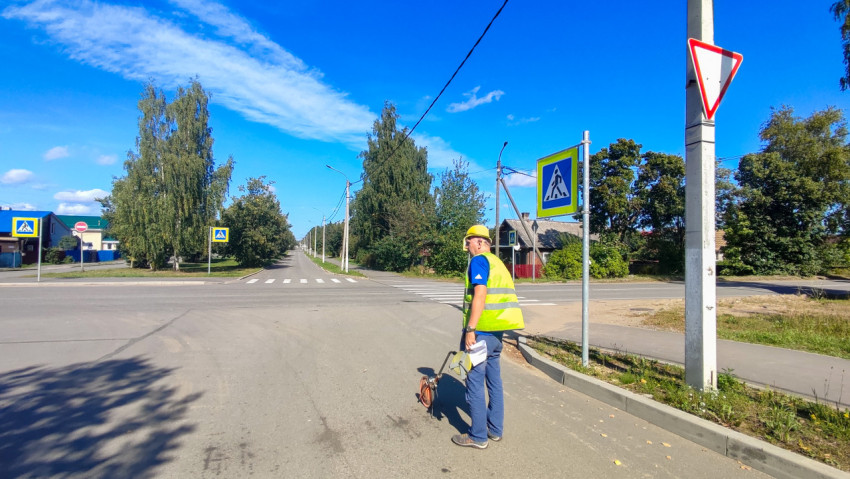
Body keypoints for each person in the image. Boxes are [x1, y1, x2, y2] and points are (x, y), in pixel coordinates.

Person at [451, 225, 524, 449]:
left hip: (481, 332)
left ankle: (478, 436)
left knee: (474, 381)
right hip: (496, 335)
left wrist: (470, 328)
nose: (467, 247)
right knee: (494, 382)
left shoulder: (479, 261)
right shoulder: (499, 263)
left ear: (480, 242)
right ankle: (495, 430)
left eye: (469, 242)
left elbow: (480, 296)